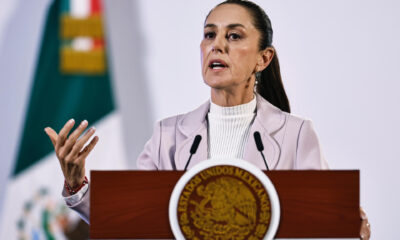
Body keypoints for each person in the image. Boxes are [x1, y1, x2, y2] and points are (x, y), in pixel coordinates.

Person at [44, 0, 371, 238]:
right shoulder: (168, 136)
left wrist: (349, 229)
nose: (217, 45)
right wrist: (76, 182)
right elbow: (132, 220)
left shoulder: (296, 134)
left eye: (234, 36)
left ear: (263, 58)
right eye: (209, 35)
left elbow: (323, 227)